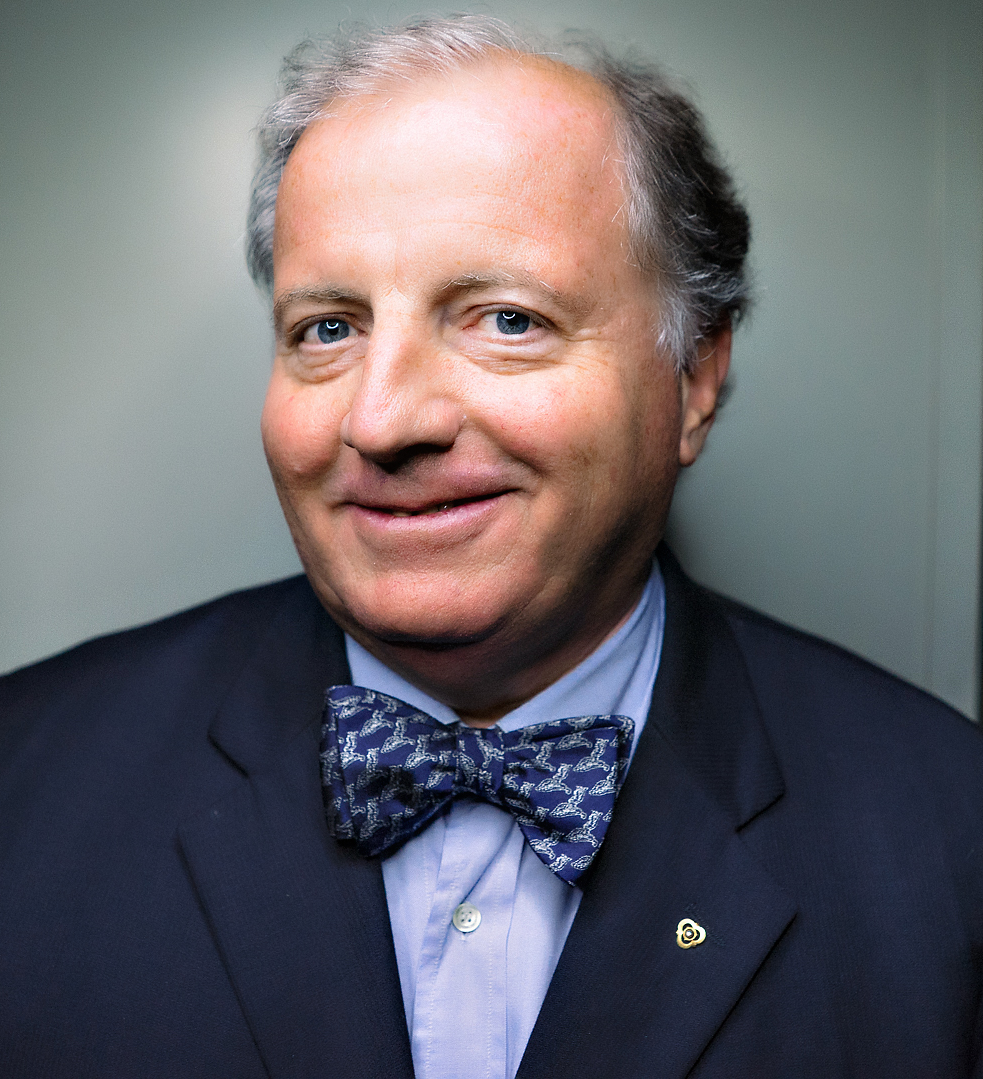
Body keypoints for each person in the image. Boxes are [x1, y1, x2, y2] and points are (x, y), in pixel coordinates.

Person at [1, 14, 981, 1079]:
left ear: (693, 378)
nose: (381, 420)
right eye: (328, 328)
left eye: (506, 319)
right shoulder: (24, 780)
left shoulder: (950, 831)